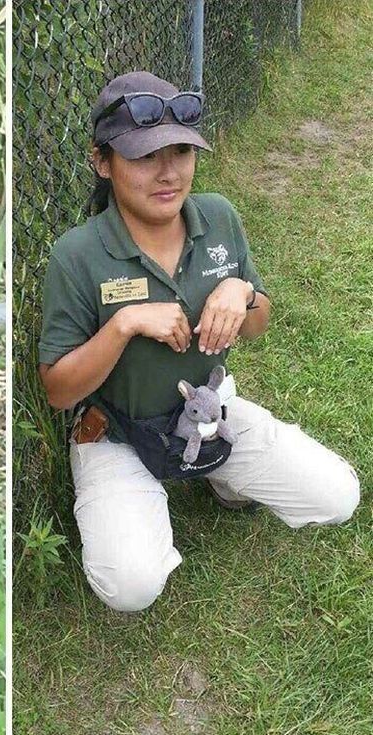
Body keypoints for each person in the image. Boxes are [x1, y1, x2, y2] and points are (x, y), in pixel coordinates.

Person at [38, 71, 360, 613]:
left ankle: (219, 472)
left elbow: (258, 323)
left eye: (182, 151)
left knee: (338, 498)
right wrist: (122, 326)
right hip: (116, 431)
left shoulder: (218, 217)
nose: (168, 173)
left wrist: (242, 292)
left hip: (211, 411)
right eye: (144, 157)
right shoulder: (77, 255)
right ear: (102, 161)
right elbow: (58, 392)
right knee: (131, 587)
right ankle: (142, 495)